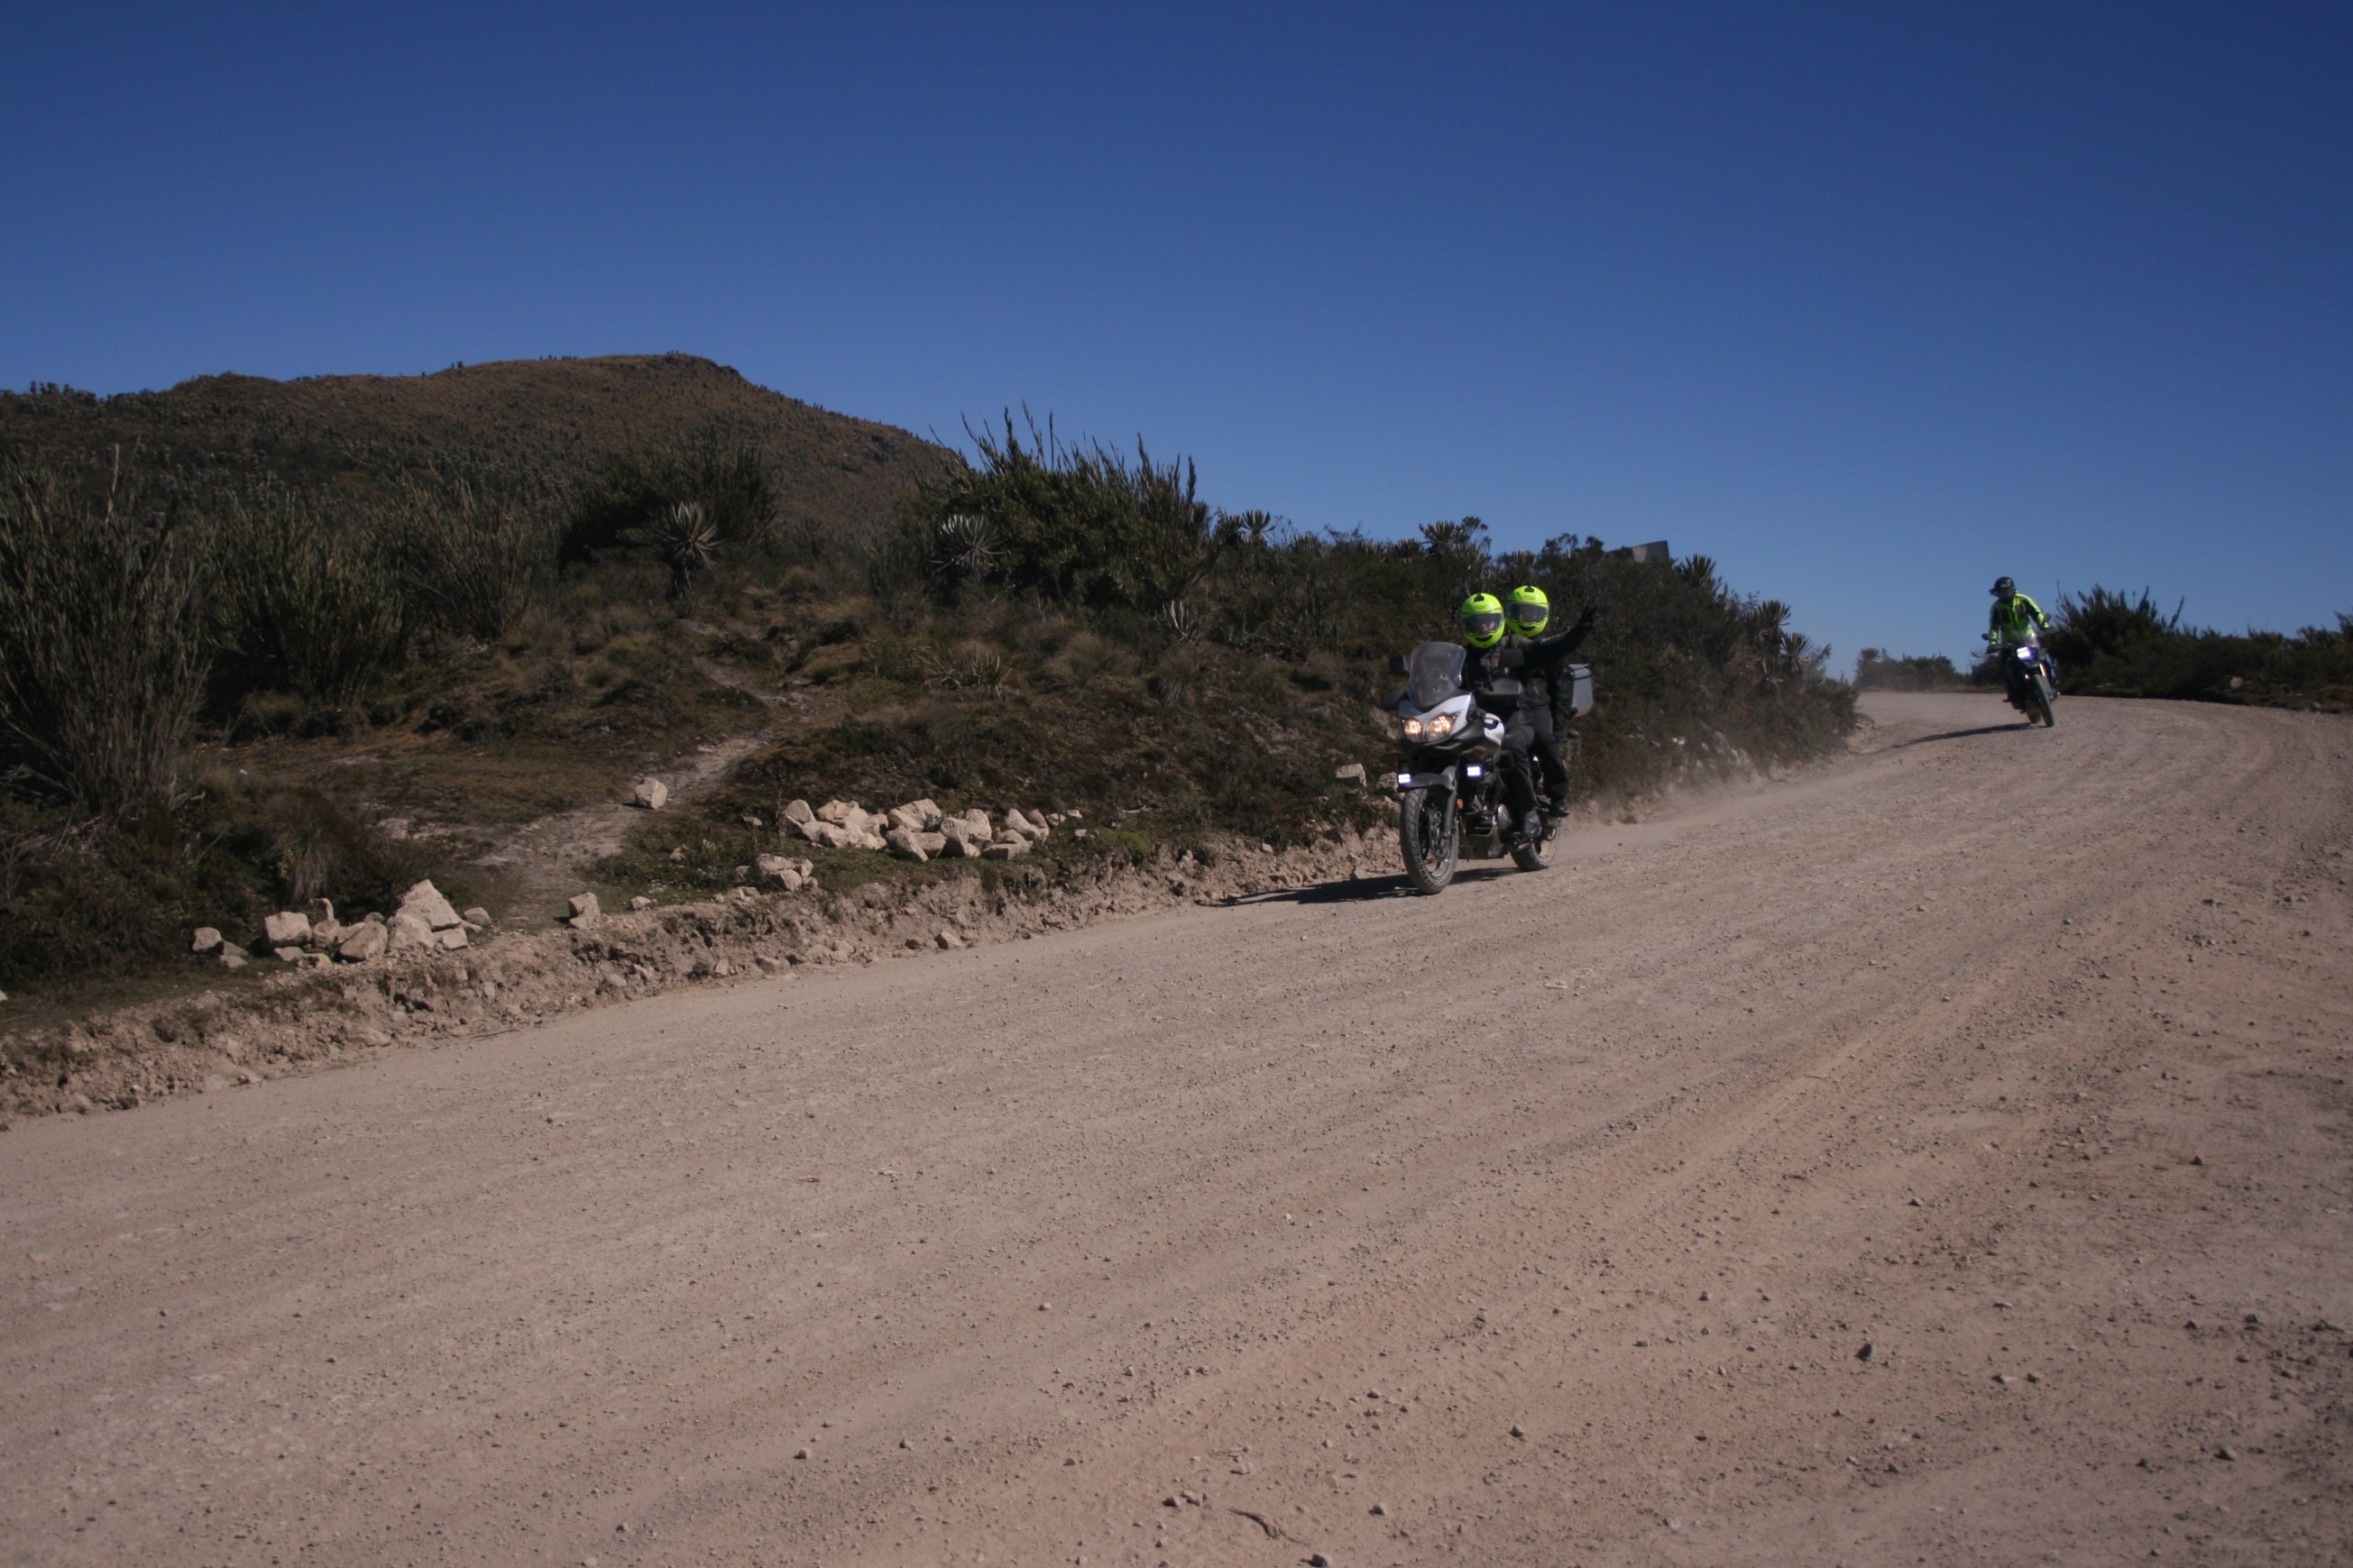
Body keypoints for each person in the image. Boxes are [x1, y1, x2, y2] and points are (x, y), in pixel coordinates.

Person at [1501, 585, 1597, 822]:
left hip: (1538, 708)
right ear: (1509, 613)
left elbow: (1562, 692)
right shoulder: (1500, 646)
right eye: (1521, 613)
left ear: (1544, 615)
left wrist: (1559, 726)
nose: (1526, 619)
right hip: (1504, 709)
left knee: (1545, 740)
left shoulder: (1548, 651)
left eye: (1532, 614)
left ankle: (1558, 796)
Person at [1456, 592, 1546, 844]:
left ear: (1499, 621)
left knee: (1512, 747)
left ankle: (1528, 813)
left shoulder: (1513, 647)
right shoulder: (1461, 656)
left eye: (1488, 622)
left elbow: (1542, 657)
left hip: (1515, 716)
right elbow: (1445, 681)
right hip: (1477, 718)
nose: (1484, 627)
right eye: (1477, 623)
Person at [1987, 576, 2051, 647]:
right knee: (2003, 654)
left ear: (2013, 589)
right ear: (1997, 594)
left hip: (2029, 637)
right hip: (2009, 643)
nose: (2005, 595)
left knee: (2041, 651)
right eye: (2002, 593)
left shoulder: (2023, 600)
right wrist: (1993, 643)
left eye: (2007, 592)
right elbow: (1994, 627)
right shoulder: (1996, 608)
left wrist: (2045, 626)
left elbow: (2036, 613)